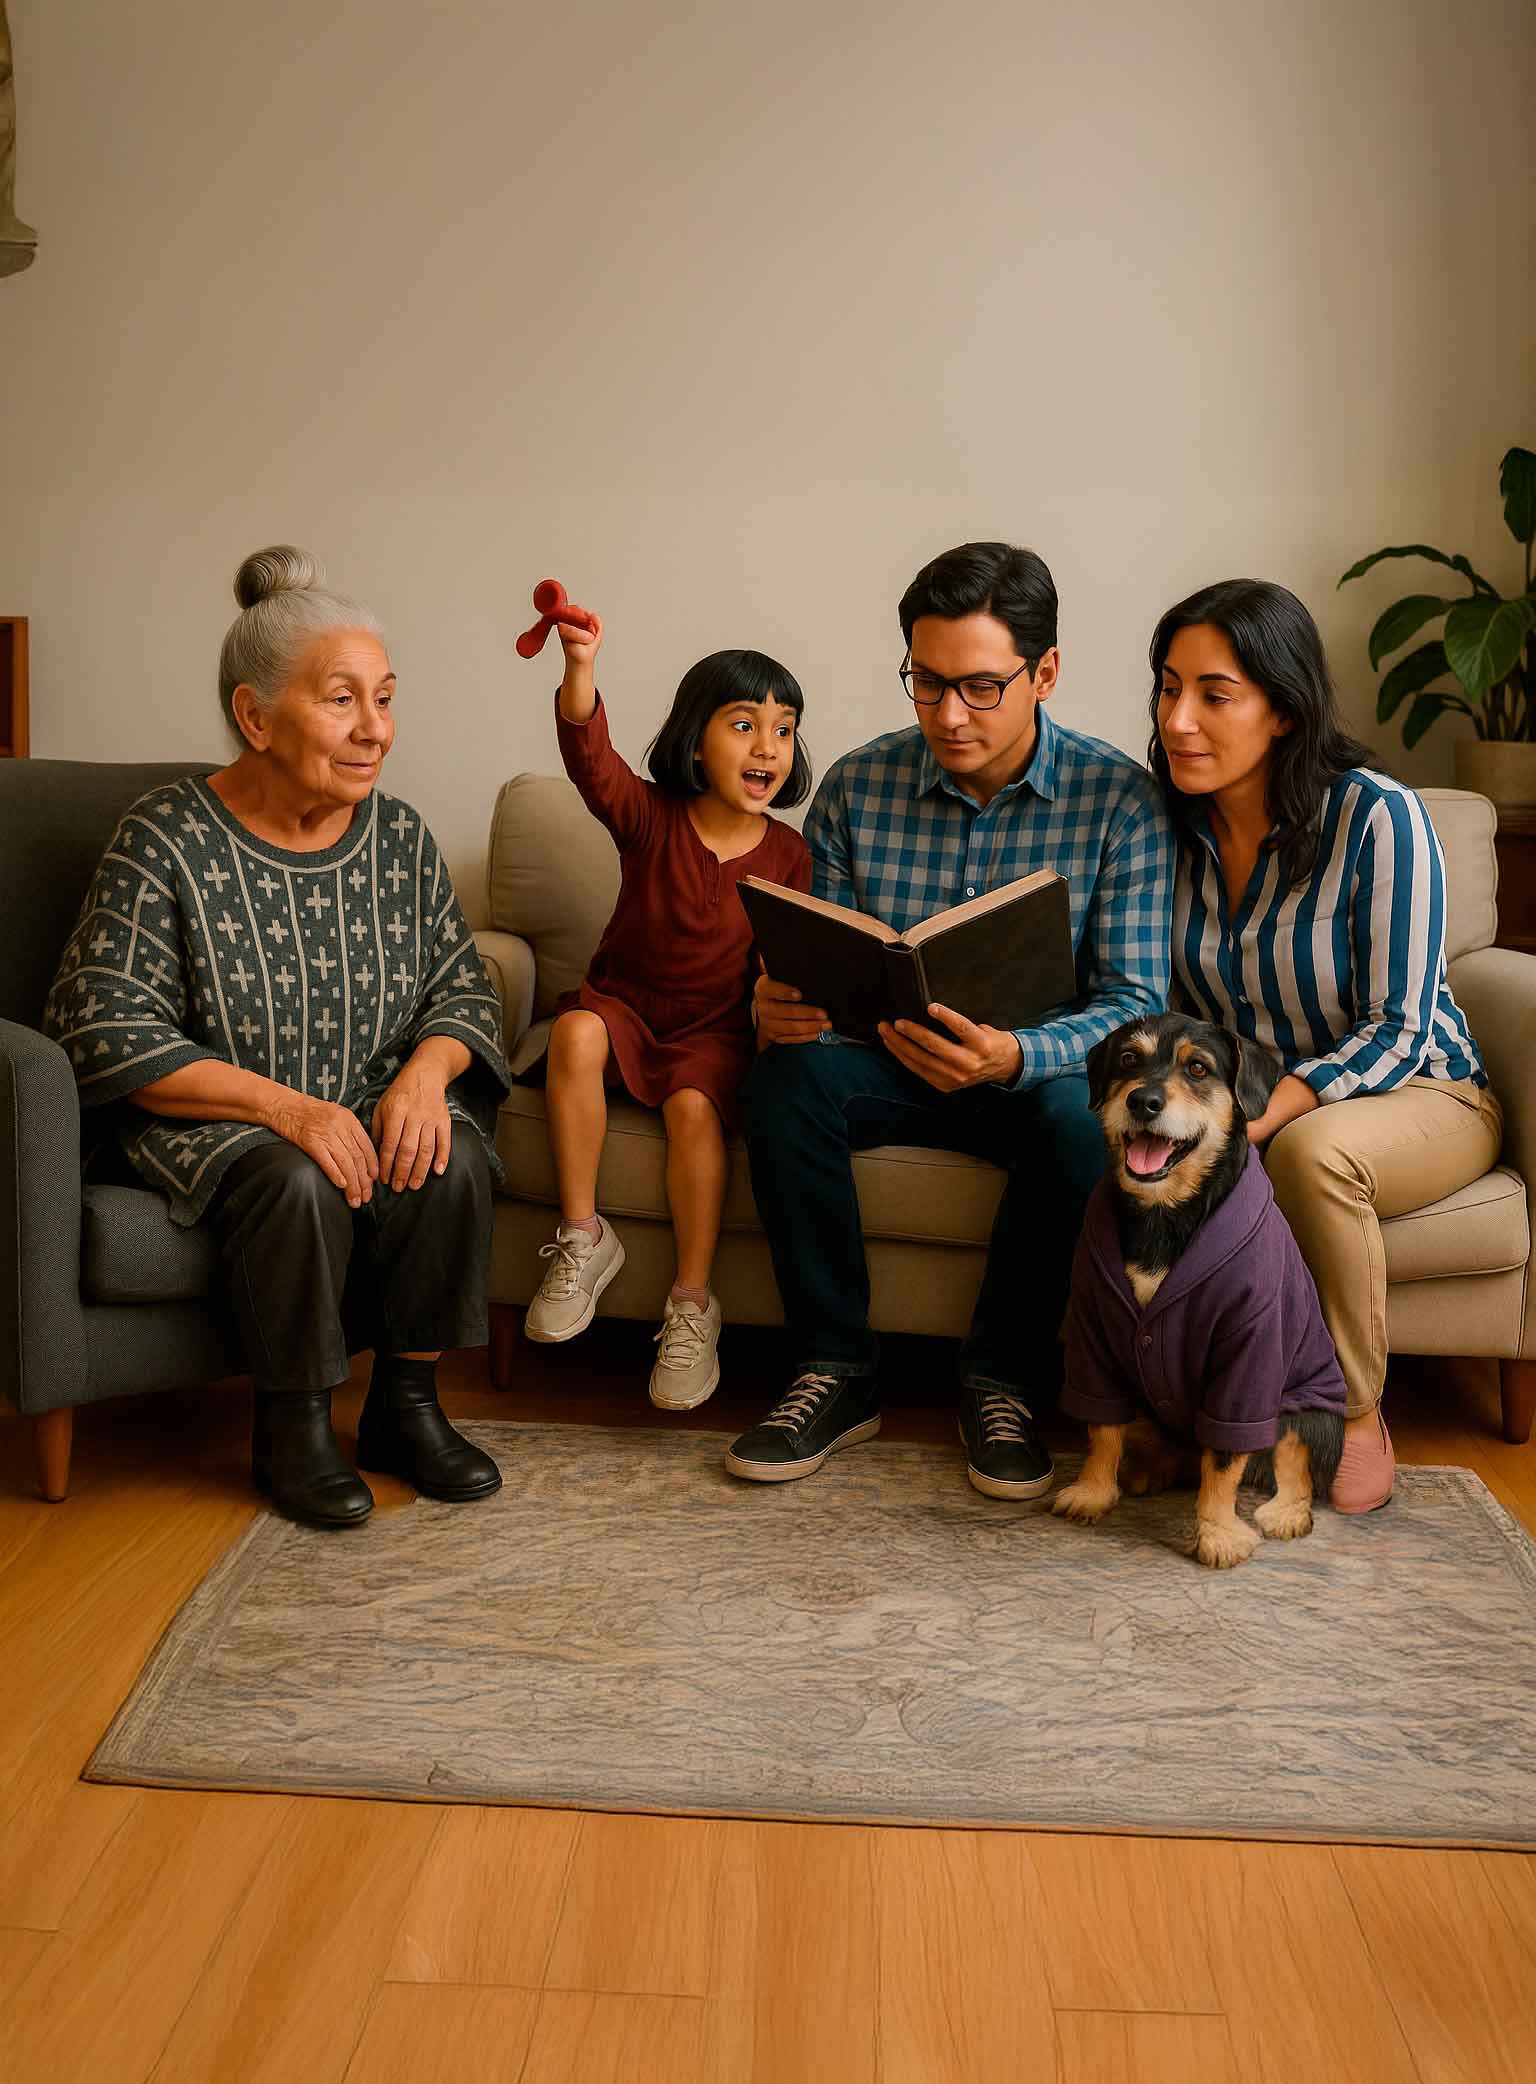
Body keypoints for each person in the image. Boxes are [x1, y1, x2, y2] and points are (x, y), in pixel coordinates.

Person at [45, 546, 510, 1528]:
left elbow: (461, 986)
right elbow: (99, 1023)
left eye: (384, 697)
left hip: (367, 1091)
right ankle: (293, 1425)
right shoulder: (164, 834)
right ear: (256, 716)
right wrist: (284, 1107)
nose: (375, 728)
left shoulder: (399, 838)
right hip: (217, 1119)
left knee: (449, 1150)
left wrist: (427, 1074)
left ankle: (405, 1408)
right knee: (298, 1174)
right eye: (342, 700)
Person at [730, 541, 1175, 1493]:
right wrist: (778, 1002)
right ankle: (834, 1370)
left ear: (1044, 672)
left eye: (979, 687)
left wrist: (1016, 1053)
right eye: (924, 685)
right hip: (882, 1059)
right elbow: (826, 947)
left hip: (1032, 1076)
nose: (947, 715)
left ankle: (1002, 1381)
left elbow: (1136, 1005)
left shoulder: (1121, 803)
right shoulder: (857, 783)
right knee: (781, 1080)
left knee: (1076, 1123)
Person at [1150, 578, 1502, 1512]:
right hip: (1250, 1097)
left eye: (1213, 695)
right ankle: (1177, 1415)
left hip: (1422, 1092)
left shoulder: (1376, 816)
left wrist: (1270, 1109)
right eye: (1166, 686)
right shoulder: (1168, 829)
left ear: (1284, 710)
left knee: (1310, 1153)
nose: (1178, 719)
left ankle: (1346, 1413)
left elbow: (1402, 1022)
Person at [522, 597, 812, 1410]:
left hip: (712, 1036)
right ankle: (583, 1237)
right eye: (745, 724)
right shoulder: (650, 815)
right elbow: (590, 757)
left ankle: (691, 1301)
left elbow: (781, 965)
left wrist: (775, 998)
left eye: (784, 729)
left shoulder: (791, 854)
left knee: (693, 1110)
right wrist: (580, 666)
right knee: (575, 1031)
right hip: (624, 1009)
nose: (769, 747)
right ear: (695, 736)